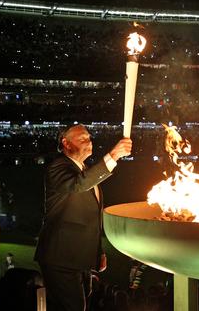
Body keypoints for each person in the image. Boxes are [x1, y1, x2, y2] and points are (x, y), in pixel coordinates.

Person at [34, 124, 132, 311]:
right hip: (61, 257)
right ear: (66, 143)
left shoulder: (84, 169)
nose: (89, 142)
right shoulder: (58, 166)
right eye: (83, 139)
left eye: (89, 138)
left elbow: (90, 218)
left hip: (78, 258)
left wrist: (98, 252)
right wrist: (113, 156)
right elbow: (78, 185)